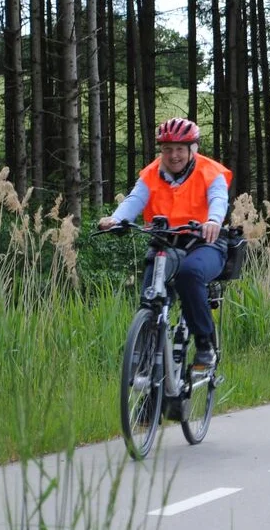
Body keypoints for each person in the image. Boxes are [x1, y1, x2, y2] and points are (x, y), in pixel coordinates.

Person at [98, 118, 231, 369]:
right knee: (150, 297)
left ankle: (205, 345)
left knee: (189, 275)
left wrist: (213, 220)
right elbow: (135, 199)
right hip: (165, 244)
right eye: (167, 149)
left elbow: (218, 199)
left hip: (205, 243)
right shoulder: (151, 174)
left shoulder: (210, 171)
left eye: (180, 149)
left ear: (193, 149)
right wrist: (116, 219)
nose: (174, 155)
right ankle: (149, 368)